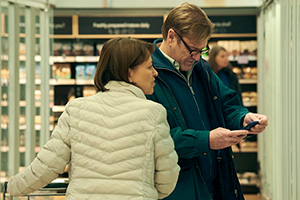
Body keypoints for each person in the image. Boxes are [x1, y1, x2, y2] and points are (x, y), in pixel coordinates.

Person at [7, 38, 180, 200]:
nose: (155, 73)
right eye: (150, 67)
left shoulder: (76, 109)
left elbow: (45, 167)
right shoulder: (153, 113)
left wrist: (10, 187)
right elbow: (167, 179)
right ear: (129, 74)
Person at [146, 3, 268, 200]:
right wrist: (206, 141)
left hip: (216, 183)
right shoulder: (148, 74)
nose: (196, 57)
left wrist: (243, 118)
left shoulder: (202, 69)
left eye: (202, 50)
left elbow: (226, 103)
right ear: (171, 36)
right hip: (179, 190)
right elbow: (154, 139)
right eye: (192, 50)